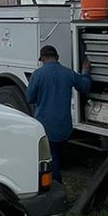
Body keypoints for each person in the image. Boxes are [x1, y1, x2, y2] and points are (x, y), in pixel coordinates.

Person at [25, 45, 92, 184]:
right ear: (57, 57)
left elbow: (29, 98)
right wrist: (85, 72)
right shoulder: (68, 73)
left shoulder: (38, 74)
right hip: (64, 126)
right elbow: (84, 86)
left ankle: (56, 183)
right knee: (56, 153)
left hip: (45, 125)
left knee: (50, 156)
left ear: (43, 58)